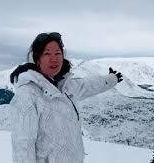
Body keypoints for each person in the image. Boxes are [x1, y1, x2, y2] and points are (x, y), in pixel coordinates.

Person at [10, 32, 123, 163]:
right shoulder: (28, 94)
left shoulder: (65, 86)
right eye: (47, 54)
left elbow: (88, 85)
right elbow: (23, 147)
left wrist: (110, 80)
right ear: (37, 59)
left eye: (58, 53)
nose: (54, 59)